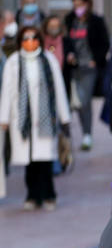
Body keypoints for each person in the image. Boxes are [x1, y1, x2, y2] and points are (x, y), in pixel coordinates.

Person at [1, 25, 71, 210]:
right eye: (25, 38)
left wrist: (65, 117)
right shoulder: (13, 62)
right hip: (23, 117)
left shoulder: (48, 60)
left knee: (45, 159)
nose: (30, 42)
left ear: (39, 40)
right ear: (20, 41)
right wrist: (4, 118)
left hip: (45, 116)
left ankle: (49, 195)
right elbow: (7, 92)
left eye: (33, 38)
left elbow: (58, 88)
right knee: (29, 160)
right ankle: (32, 196)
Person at [63, 0, 110, 151]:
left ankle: (87, 134)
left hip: (90, 68)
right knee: (75, 102)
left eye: (80, 4)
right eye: (75, 5)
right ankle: (80, 133)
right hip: (73, 67)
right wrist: (68, 54)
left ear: (87, 4)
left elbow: (104, 43)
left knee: (84, 100)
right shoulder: (70, 20)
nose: (77, 8)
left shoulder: (96, 21)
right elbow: (65, 41)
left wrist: (95, 60)